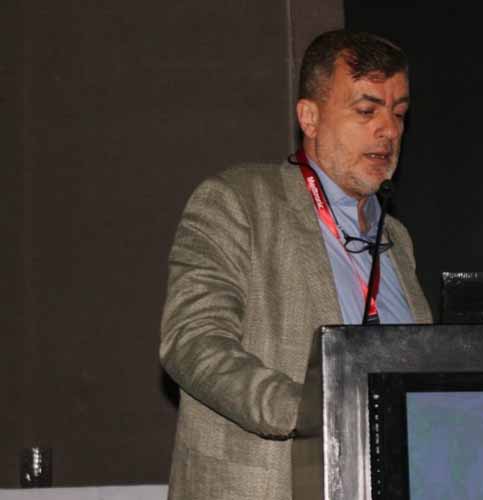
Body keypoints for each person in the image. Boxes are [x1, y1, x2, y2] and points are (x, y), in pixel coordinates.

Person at [159, 30, 431, 500]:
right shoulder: (238, 201)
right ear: (310, 117)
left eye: (399, 113)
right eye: (367, 111)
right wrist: (312, 410)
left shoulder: (397, 239)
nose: (389, 130)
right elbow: (192, 342)